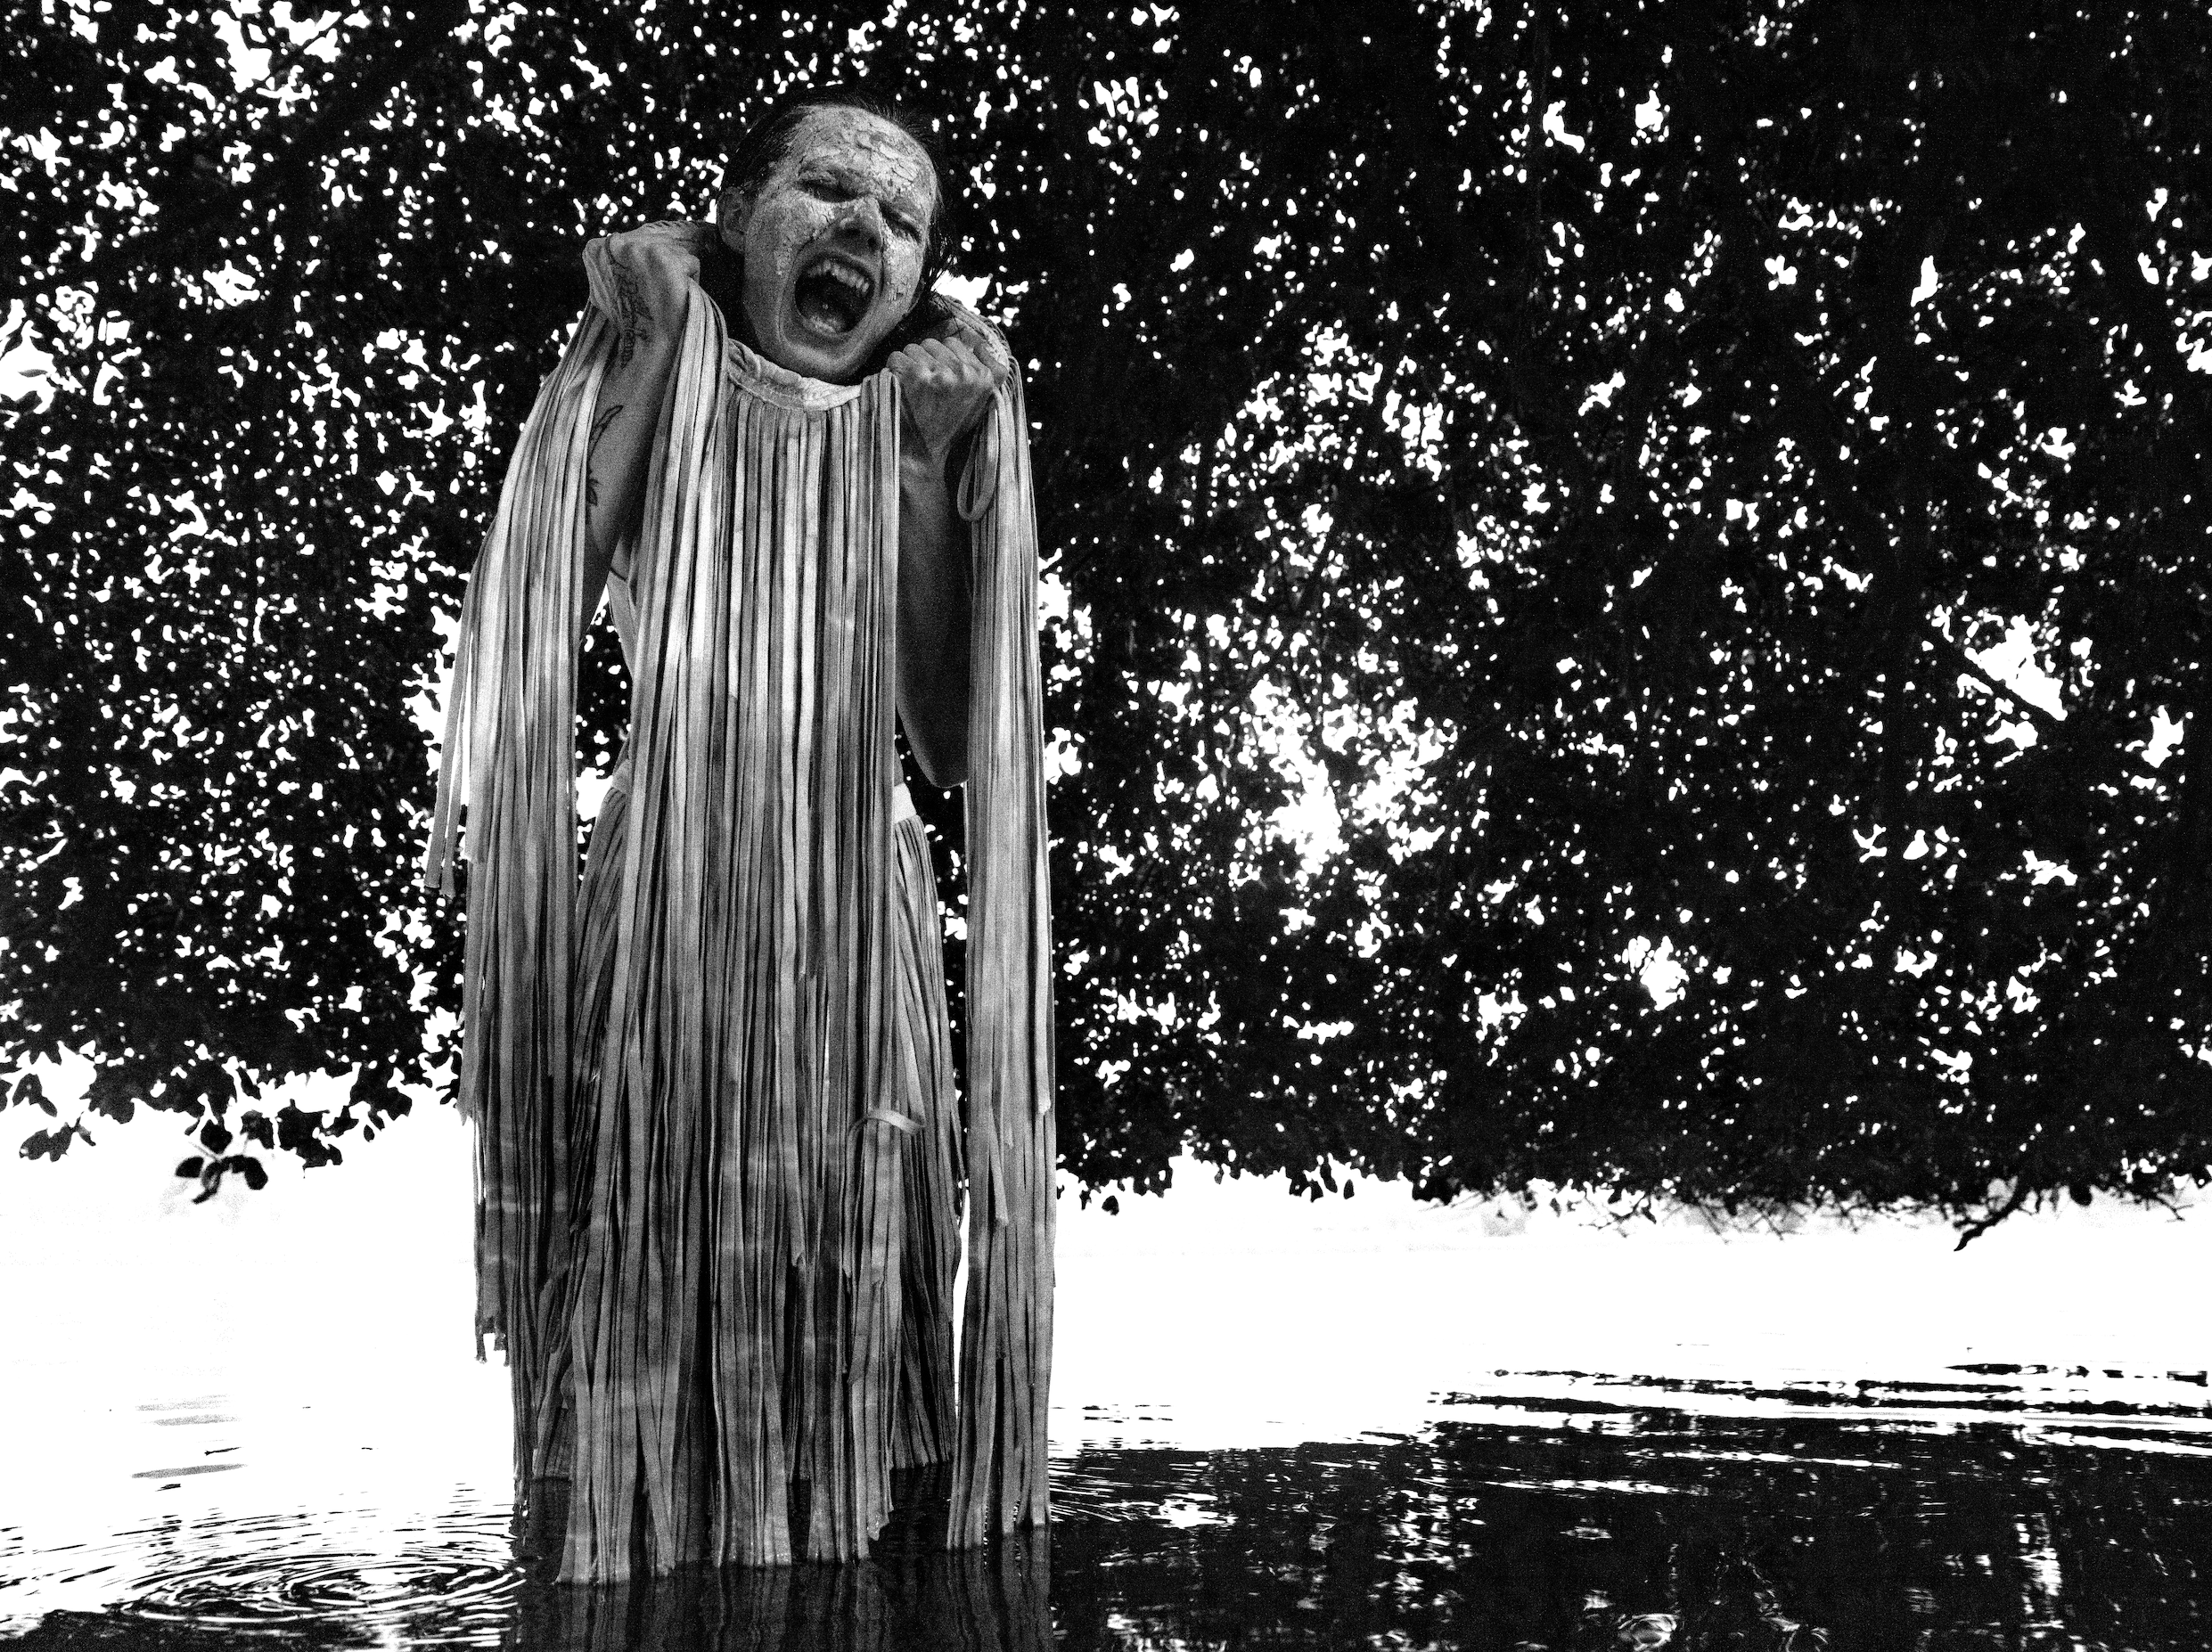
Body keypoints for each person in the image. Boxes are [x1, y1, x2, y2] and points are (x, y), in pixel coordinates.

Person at [423, 87, 1055, 1584]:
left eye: (902, 222)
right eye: (827, 189)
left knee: (861, 1325)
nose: (864, 230)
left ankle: (863, 1581)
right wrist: (649, 344)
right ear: (734, 216)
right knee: (641, 1312)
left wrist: (923, 464)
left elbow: (950, 738)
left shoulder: (921, 419)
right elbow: (531, 613)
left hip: (857, 930)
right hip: (671, 903)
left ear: (920, 280)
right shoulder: (660, 358)